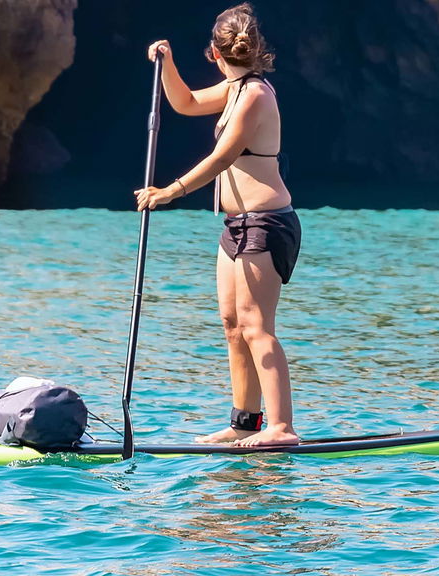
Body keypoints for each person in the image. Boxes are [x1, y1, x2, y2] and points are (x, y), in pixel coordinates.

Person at [133, 3, 300, 447]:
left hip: (267, 223)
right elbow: (185, 102)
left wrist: (170, 191)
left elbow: (223, 156)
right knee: (232, 325)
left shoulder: (257, 94)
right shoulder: (234, 88)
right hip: (235, 225)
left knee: (256, 325)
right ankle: (245, 423)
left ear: (215, 52)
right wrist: (167, 63)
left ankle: (282, 428)